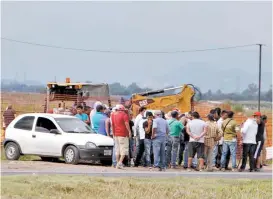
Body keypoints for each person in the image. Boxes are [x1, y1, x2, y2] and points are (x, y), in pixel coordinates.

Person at [111, 104, 132, 169]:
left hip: (116, 134)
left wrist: (113, 133)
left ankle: (117, 163)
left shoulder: (113, 114)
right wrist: (129, 131)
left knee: (117, 149)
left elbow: (112, 124)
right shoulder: (124, 115)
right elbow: (126, 124)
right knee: (124, 149)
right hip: (123, 134)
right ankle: (120, 163)